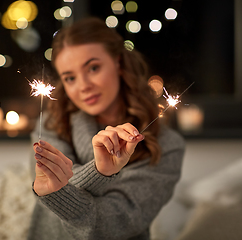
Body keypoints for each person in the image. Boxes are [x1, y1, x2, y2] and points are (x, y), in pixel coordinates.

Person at [27, 17, 185, 240]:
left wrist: (57, 192)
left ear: (118, 62)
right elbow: (46, 195)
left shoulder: (167, 145)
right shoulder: (51, 124)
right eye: (70, 77)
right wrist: (98, 171)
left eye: (93, 68)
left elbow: (113, 224)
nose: (83, 86)